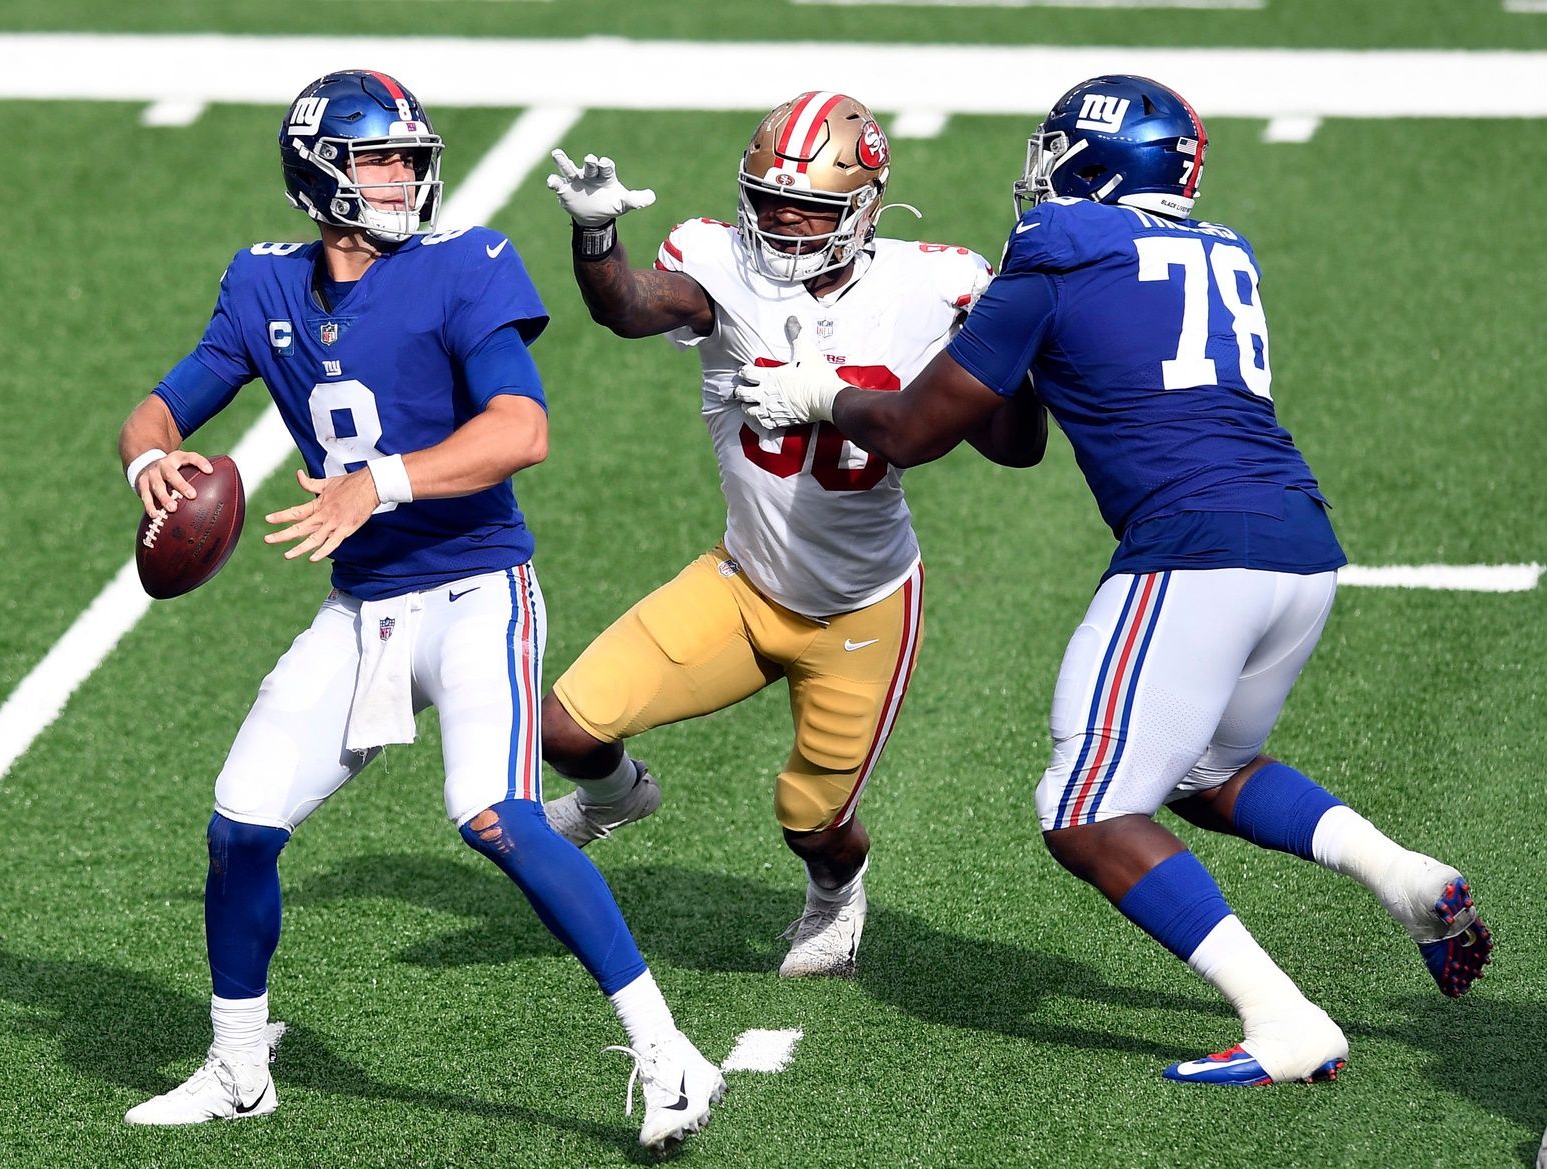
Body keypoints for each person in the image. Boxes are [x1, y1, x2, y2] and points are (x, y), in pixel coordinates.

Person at [733, 74, 1491, 1083]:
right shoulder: (1225, 247)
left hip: (1192, 548)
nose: (1037, 171)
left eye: (1054, 150)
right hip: (1296, 545)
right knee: (1204, 772)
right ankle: (1401, 877)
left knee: (1082, 806)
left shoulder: (1056, 247)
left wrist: (819, 392)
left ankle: (1281, 1016)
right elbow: (1022, 430)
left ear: (1094, 159)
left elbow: (914, 432)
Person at [115, 70, 724, 1148]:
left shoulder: (467, 263)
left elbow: (520, 430)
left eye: (410, 155)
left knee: (493, 815)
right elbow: (165, 403)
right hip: (363, 613)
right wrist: (152, 462)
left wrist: (378, 481)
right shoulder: (264, 287)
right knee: (239, 826)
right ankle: (238, 1064)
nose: (406, 175)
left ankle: (670, 1052)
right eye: (379, 158)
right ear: (319, 174)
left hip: (477, 591)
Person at [539, 92, 1045, 978]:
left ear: (866, 208)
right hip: (742, 584)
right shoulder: (717, 261)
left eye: (807, 206)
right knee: (566, 729)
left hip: (862, 607)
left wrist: (1007, 344)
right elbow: (627, 306)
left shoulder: (937, 284)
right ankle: (619, 800)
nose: (781, 222)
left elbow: (1019, 447)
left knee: (812, 821)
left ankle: (836, 894)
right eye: (768, 200)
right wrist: (593, 239)